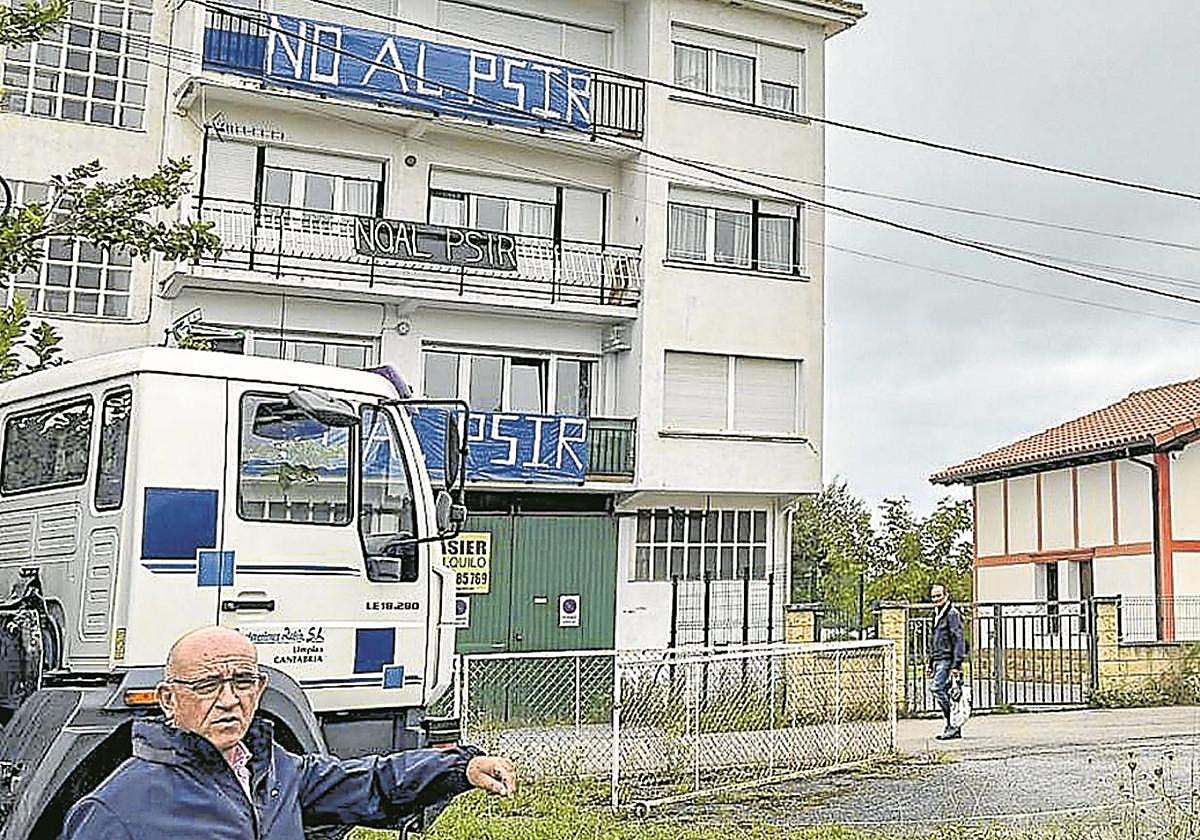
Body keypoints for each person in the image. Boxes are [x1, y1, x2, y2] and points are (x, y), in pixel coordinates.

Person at [60, 626, 517, 839]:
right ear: (168, 699)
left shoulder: (275, 771)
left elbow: (371, 782)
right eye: (207, 685)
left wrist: (460, 767)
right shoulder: (113, 812)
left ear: (260, 689)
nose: (229, 699)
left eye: (242, 682)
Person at [928, 583, 966, 740]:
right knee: (946, 692)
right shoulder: (937, 614)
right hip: (938, 658)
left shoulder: (952, 614)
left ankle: (952, 724)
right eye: (933, 597)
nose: (936, 599)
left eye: (939, 596)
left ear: (946, 595)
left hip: (947, 659)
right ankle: (953, 725)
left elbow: (958, 639)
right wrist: (931, 663)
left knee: (937, 688)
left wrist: (956, 664)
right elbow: (934, 640)